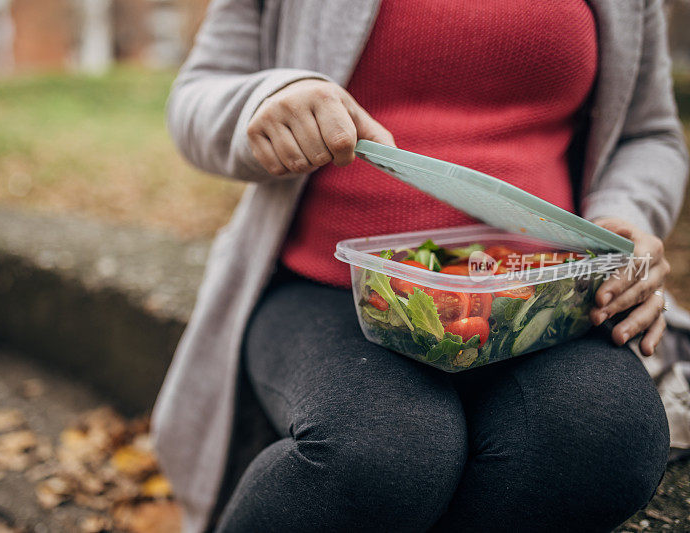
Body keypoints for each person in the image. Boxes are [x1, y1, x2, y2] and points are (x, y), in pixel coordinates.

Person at [151, 1, 690, 531]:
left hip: (540, 297)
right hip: (332, 290)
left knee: (604, 441)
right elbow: (196, 97)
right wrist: (265, 101)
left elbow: (650, 134)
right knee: (383, 452)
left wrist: (625, 216)